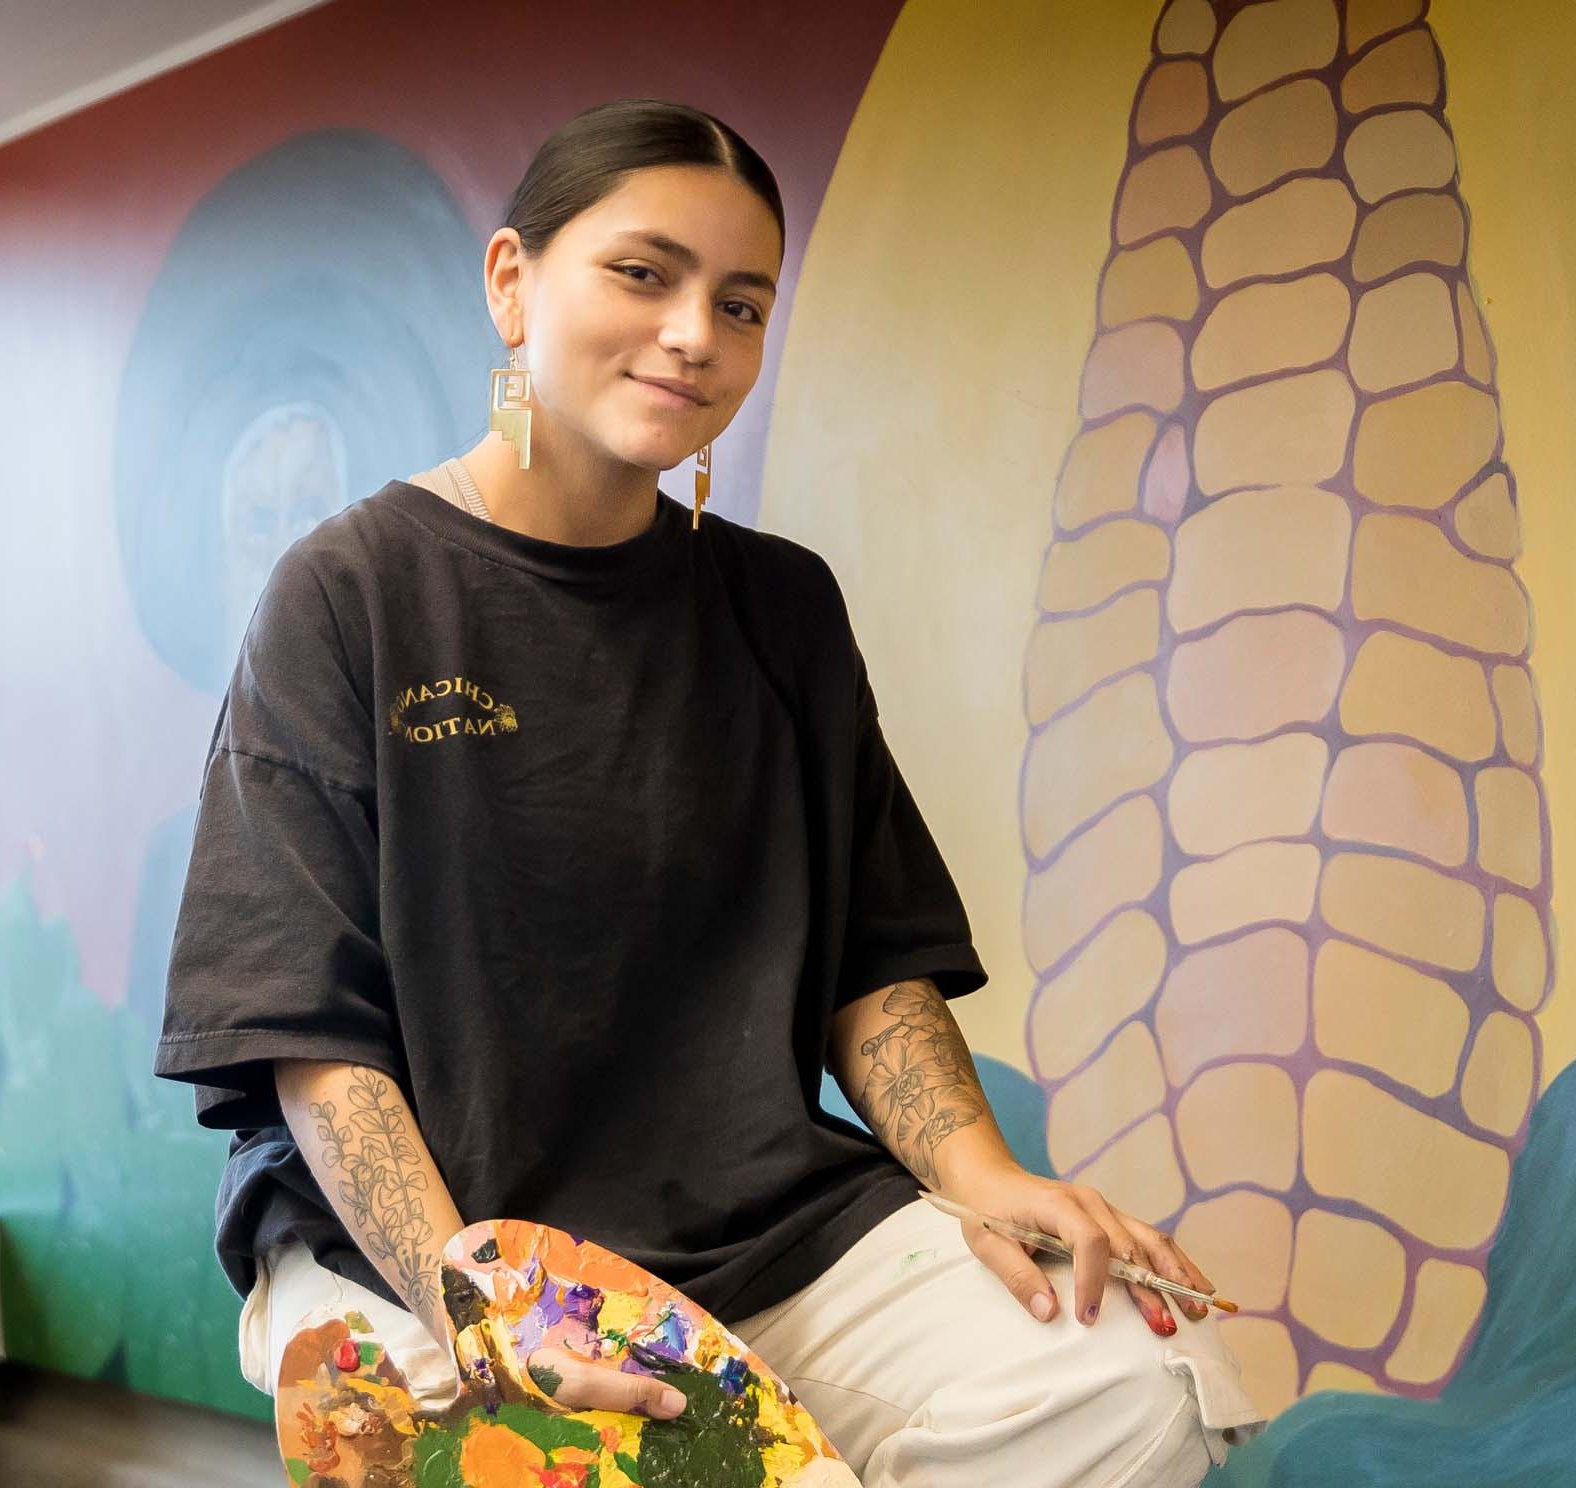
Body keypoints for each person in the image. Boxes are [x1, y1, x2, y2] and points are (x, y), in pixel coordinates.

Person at [156, 96, 1265, 1485]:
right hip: (407, 1253)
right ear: (514, 281)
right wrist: (480, 1293)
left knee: (1132, 1381)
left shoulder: (781, 607)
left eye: (741, 304)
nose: (696, 333)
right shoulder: (350, 594)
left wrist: (985, 1178)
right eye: (644, 273)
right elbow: (312, 1043)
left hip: (758, 1220)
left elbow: (875, 965)